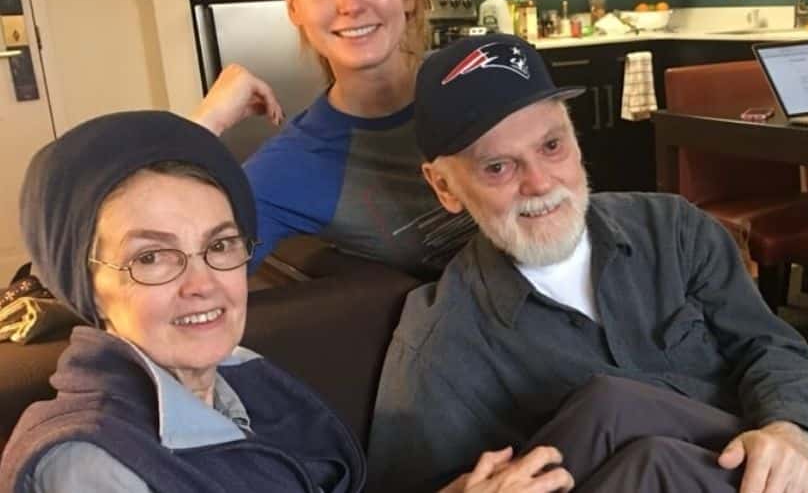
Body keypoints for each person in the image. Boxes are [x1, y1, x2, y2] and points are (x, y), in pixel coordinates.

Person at [367, 34, 808, 493]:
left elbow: (771, 348)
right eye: (498, 167)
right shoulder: (440, 346)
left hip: (769, 460)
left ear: (576, 139)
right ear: (444, 187)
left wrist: (790, 432)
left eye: (552, 146)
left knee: (617, 405)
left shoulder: (671, 228)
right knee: (651, 457)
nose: (540, 183)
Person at [0, 111, 573, 493]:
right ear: (88, 283)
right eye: (152, 257)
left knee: (610, 418)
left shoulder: (239, 376)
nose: (201, 283)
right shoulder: (87, 463)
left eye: (220, 245)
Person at [190, 0, 473, 279]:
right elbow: (177, 268)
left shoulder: (476, 84)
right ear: (293, 5)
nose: (351, 3)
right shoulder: (296, 164)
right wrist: (203, 126)